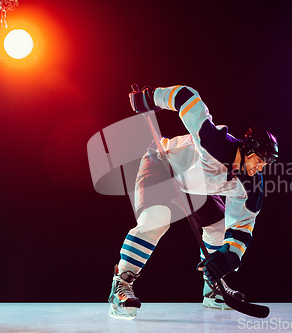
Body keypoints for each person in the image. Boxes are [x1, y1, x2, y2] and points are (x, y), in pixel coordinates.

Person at [108, 85, 278, 319]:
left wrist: (229, 258)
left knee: (219, 229)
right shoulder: (214, 142)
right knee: (157, 219)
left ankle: (212, 290)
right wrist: (151, 98)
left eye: (266, 163)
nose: (261, 167)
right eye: (260, 160)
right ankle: (121, 284)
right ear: (247, 149)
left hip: (194, 186)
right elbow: (187, 97)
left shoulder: (252, 186)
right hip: (161, 164)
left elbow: (242, 226)